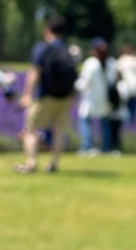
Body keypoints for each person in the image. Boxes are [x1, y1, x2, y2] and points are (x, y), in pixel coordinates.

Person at [15, 15, 77, 174]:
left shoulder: (43, 48)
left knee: (31, 129)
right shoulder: (68, 50)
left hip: (45, 96)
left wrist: (27, 95)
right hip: (65, 97)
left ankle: (31, 163)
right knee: (59, 131)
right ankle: (53, 164)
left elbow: (35, 72)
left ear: (47, 30)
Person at [75, 38, 118, 156]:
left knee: (85, 121)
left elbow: (85, 82)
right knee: (105, 123)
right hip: (105, 98)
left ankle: (86, 146)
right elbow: (113, 80)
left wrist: (76, 85)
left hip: (91, 97)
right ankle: (106, 147)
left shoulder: (91, 63)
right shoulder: (111, 62)